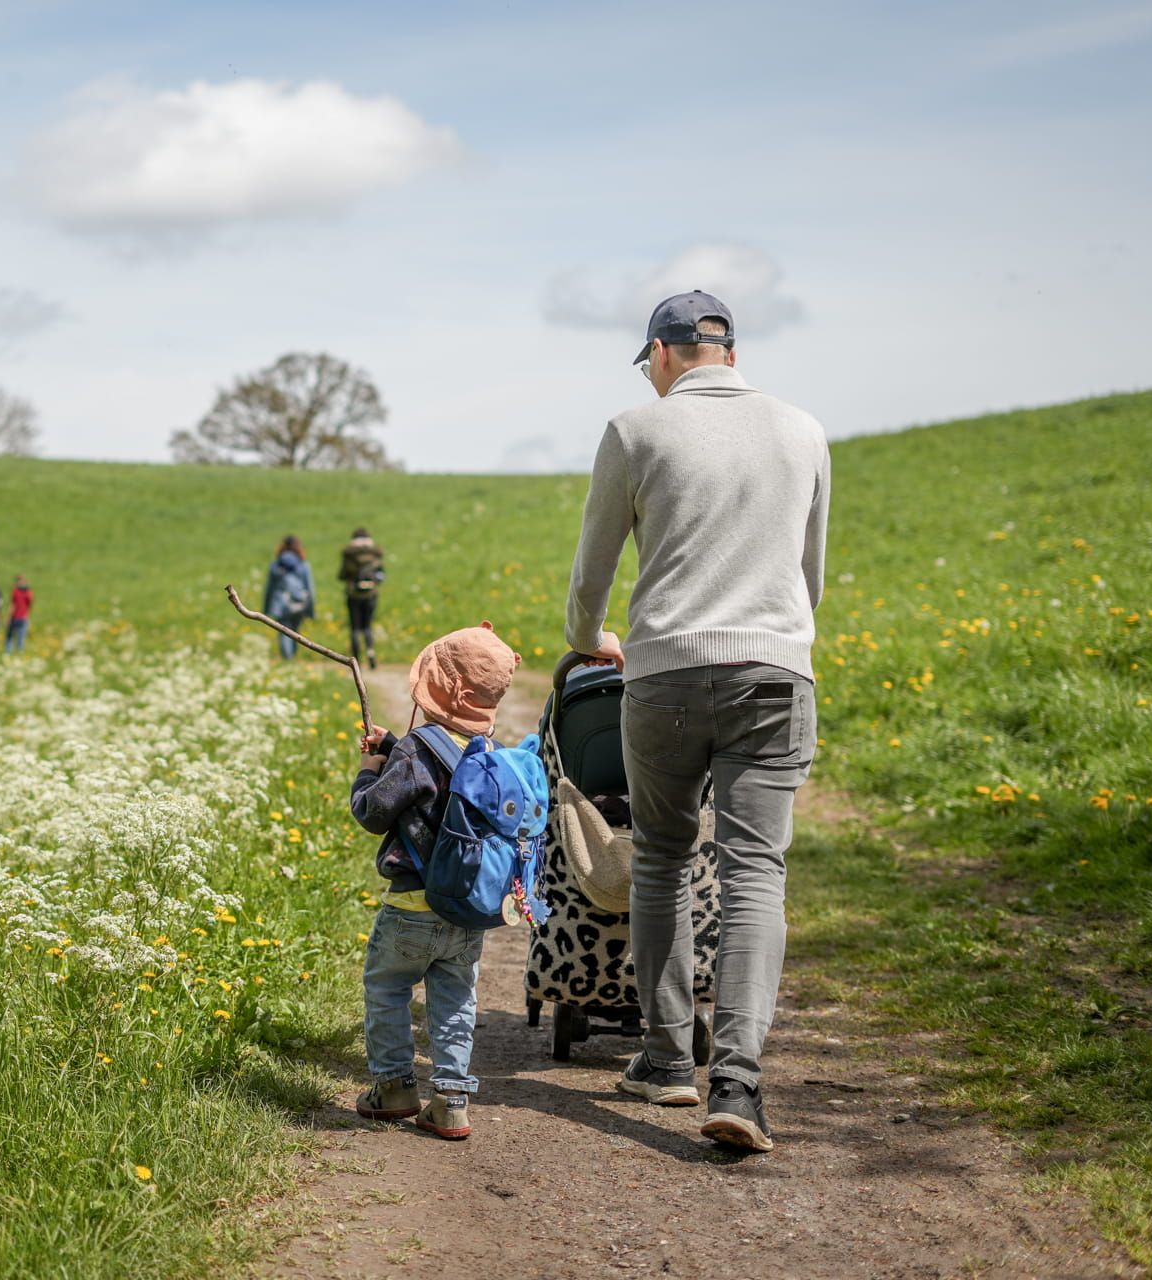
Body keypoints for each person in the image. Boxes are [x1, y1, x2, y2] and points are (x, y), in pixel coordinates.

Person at [565, 290, 829, 1152]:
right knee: (757, 873)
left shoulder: (636, 430)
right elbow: (809, 574)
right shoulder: (804, 430)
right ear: (731, 352)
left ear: (663, 355)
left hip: (666, 673)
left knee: (663, 856)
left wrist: (585, 640)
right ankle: (740, 1086)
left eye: (650, 365)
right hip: (774, 669)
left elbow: (594, 567)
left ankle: (667, 1057)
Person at [348, 622, 522, 1141]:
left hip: (411, 909)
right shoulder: (487, 752)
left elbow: (373, 813)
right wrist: (397, 746)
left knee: (387, 987)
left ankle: (396, 1088)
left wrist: (368, 767)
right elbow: (440, 781)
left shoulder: (414, 754)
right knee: (454, 1003)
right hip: (466, 911)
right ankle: (449, 1101)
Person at [338, 527, 385, 669]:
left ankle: (356, 659)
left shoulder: (349, 554)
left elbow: (342, 575)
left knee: (355, 628)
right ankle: (371, 652)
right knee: (367, 626)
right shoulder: (375, 554)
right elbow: (381, 575)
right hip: (371, 594)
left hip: (353, 595)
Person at [261, 535, 316, 660]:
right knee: (295, 632)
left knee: (284, 631)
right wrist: (311, 610)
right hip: (299, 603)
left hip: (281, 604)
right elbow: (310, 588)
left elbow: (269, 588)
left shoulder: (275, 565)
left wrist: (266, 609)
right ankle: (292, 657)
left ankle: (287, 659)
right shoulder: (303, 565)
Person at [5, 575, 34, 654]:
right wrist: (9, 616)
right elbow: (12, 604)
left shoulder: (28, 592)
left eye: (22, 581)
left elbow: (30, 604)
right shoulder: (15, 591)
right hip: (14, 616)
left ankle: (19, 652)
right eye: (19, 581)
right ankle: (8, 652)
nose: (20, 583)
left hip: (23, 617)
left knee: (21, 637)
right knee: (10, 636)